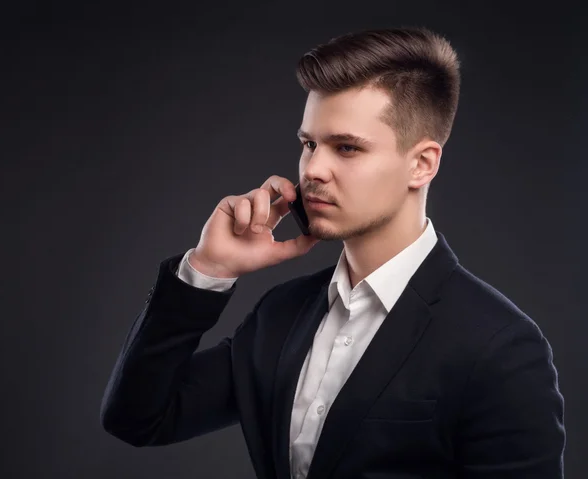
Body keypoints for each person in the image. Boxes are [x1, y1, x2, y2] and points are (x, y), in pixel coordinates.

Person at [100, 27, 565, 479]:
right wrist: (207, 270)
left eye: (346, 148)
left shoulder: (501, 347)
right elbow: (139, 418)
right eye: (309, 144)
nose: (313, 169)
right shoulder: (280, 316)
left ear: (421, 164)